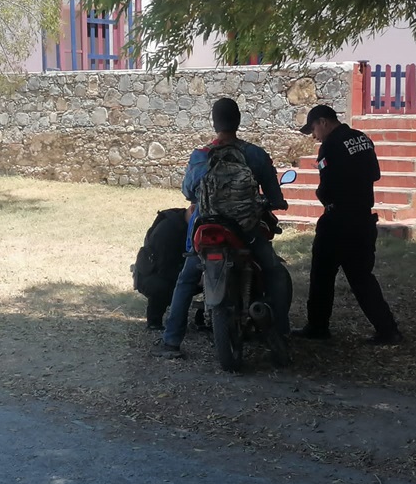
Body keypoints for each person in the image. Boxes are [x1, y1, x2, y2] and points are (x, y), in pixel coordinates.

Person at [154, 97, 290, 358]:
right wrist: (274, 202)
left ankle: (171, 342)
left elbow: (188, 192)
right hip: (246, 230)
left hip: (207, 228)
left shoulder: (200, 155)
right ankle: (282, 334)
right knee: (275, 272)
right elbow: (274, 195)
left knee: (186, 279)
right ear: (238, 121)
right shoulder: (255, 154)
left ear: (214, 123)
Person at [292, 104, 403, 345]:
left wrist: (323, 195)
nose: (314, 136)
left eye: (313, 129)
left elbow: (327, 186)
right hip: (362, 219)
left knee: (321, 274)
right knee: (362, 277)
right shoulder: (362, 139)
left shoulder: (330, 145)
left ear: (323, 122)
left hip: (337, 221)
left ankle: (318, 327)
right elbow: (375, 174)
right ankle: (388, 329)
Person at [132, 205, 194, 330]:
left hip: (176, 268)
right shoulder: (168, 229)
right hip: (153, 273)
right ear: (192, 210)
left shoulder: (186, 225)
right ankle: (154, 320)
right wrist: (190, 277)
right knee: (161, 286)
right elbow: (163, 267)